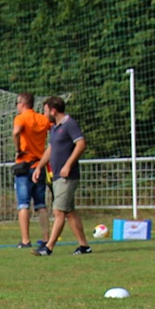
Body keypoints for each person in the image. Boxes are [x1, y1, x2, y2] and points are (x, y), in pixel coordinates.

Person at [35, 96, 90, 255]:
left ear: (53, 110)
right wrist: (40, 166)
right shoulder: (54, 128)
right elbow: (51, 149)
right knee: (69, 213)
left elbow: (81, 144)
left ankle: (49, 247)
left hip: (68, 176)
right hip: (57, 175)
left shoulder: (70, 124)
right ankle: (84, 246)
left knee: (58, 211)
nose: (44, 114)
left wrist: (68, 164)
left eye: (45, 111)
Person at [11, 92, 53, 248]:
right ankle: (46, 237)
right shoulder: (42, 119)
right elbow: (53, 130)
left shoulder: (21, 118)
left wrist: (18, 148)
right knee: (41, 204)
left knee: (23, 204)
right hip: (39, 164)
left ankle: (25, 239)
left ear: (22, 104)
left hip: (24, 165)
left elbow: (16, 131)